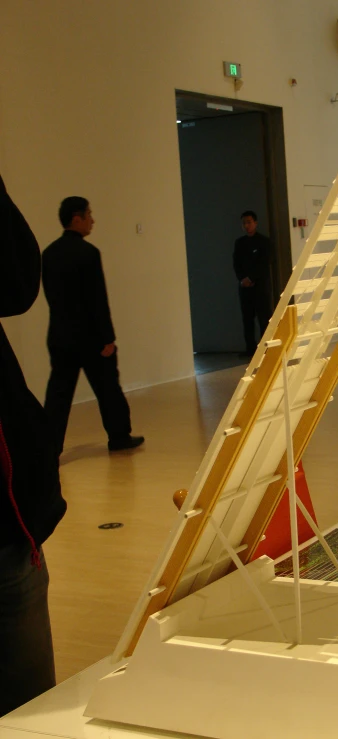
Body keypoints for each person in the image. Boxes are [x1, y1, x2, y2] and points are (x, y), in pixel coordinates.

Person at [0, 174, 67, 716]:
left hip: (9, 525)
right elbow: (17, 282)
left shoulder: (65, 253)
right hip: (5, 532)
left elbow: (17, 283)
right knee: (30, 709)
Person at [42, 197, 144, 454]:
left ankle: (48, 447)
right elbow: (97, 299)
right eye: (89, 215)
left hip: (61, 336)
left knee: (58, 396)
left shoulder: (49, 254)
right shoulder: (88, 253)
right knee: (108, 388)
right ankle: (119, 437)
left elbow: (51, 296)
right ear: (77, 218)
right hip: (90, 338)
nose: (92, 220)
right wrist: (107, 338)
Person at [232, 210, 272, 357]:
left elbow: (263, 264)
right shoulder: (239, 243)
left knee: (264, 318)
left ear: (255, 223)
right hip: (244, 288)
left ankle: (265, 348)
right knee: (247, 319)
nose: (246, 225)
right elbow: (236, 263)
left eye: (249, 222)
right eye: (244, 223)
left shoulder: (264, 241)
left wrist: (251, 278)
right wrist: (242, 278)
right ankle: (250, 349)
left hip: (260, 287)